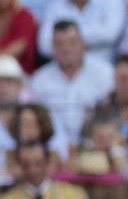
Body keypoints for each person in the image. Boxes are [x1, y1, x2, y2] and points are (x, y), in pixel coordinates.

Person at [28, 20, 113, 150]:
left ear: (83, 43)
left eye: (72, 42)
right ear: (52, 47)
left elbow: (112, 114)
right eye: (59, 44)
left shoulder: (104, 73)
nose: (66, 49)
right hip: (52, 149)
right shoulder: (39, 80)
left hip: (96, 146)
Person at [0, 138, 91, 199]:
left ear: (48, 163)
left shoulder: (74, 197)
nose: (33, 170)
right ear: (20, 166)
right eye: (26, 165)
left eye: (38, 163)